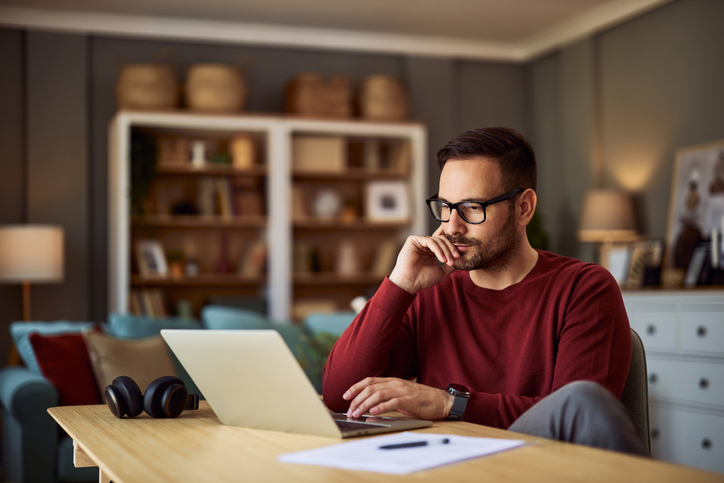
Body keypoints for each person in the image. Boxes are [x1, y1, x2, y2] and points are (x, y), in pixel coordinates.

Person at [323, 127, 648, 456]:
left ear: (524, 208)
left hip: (539, 465)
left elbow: (579, 420)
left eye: (472, 207)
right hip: (450, 469)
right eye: (445, 207)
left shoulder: (584, 288)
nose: (451, 227)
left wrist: (450, 403)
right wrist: (399, 284)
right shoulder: (430, 294)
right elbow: (340, 397)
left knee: (583, 401)